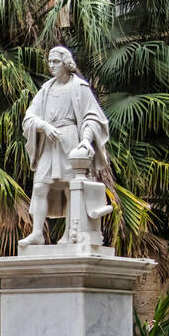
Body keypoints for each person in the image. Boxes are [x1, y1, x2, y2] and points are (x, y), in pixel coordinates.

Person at [19, 46, 112, 247]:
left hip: (70, 139)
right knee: (40, 185)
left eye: (56, 62)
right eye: (50, 62)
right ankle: (37, 233)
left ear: (66, 63)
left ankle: (71, 233)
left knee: (73, 187)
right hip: (49, 141)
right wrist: (43, 126)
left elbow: (92, 117)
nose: (51, 65)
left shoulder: (79, 87)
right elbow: (29, 118)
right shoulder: (46, 89)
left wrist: (86, 140)